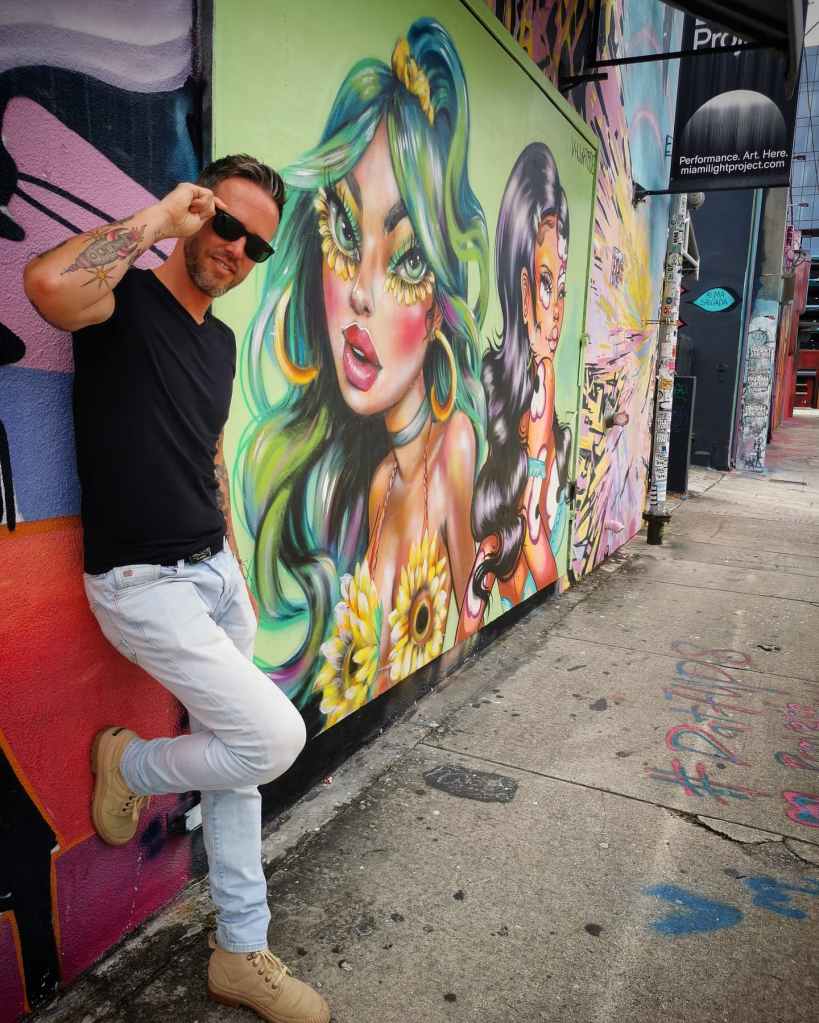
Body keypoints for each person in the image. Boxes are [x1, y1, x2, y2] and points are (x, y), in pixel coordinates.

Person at [22, 155, 330, 1023]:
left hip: (213, 573)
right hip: (140, 583)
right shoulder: (117, 301)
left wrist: (233, 560)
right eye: (225, 224)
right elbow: (46, 286)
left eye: (256, 246)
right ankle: (130, 763)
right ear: (197, 208)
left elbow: (205, 452)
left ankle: (239, 949)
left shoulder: (219, 343)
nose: (236, 249)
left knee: (240, 770)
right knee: (273, 737)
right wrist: (156, 220)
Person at [239, 19, 489, 730]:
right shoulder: (375, 483)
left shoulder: (455, 446)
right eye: (346, 232)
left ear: (439, 307)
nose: (359, 291)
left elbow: (470, 619)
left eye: (406, 259)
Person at [458, 142, 572, 639]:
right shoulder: (504, 403)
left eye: (562, 288)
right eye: (547, 285)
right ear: (524, 295)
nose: (558, 312)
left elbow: (544, 564)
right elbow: (536, 543)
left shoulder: (552, 435)